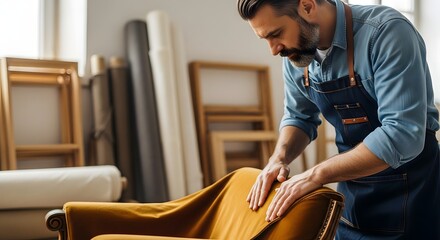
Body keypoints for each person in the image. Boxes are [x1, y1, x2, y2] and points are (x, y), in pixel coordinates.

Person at [237, 0, 440, 239]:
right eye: (265, 39)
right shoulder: (296, 53)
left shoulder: (386, 32)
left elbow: (402, 134)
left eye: (276, 34)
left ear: (307, 6)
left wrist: (315, 175)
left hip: (412, 192)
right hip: (352, 192)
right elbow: (299, 117)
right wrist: (278, 159)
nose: (273, 50)